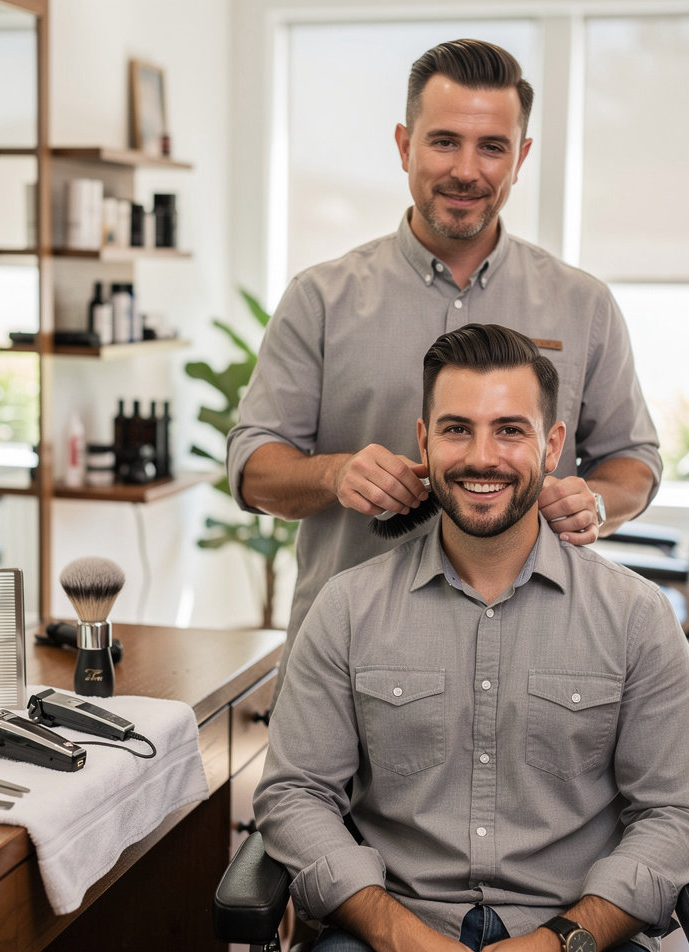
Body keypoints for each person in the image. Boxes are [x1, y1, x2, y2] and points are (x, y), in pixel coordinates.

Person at [253, 323, 689, 952]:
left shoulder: (635, 616)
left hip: (587, 942)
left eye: (509, 430)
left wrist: (563, 946)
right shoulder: (348, 608)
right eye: (456, 429)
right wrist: (399, 937)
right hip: (386, 933)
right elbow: (295, 795)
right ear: (424, 442)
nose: (481, 457)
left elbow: (676, 814)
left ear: (552, 446)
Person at [227, 39, 661, 691]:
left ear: (521, 158)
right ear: (405, 146)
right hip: (349, 663)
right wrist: (335, 474)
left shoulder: (584, 305)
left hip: (536, 667)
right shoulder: (320, 299)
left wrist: (596, 501)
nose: (466, 170)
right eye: (444, 142)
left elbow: (635, 460)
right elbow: (253, 465)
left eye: (492, 147)